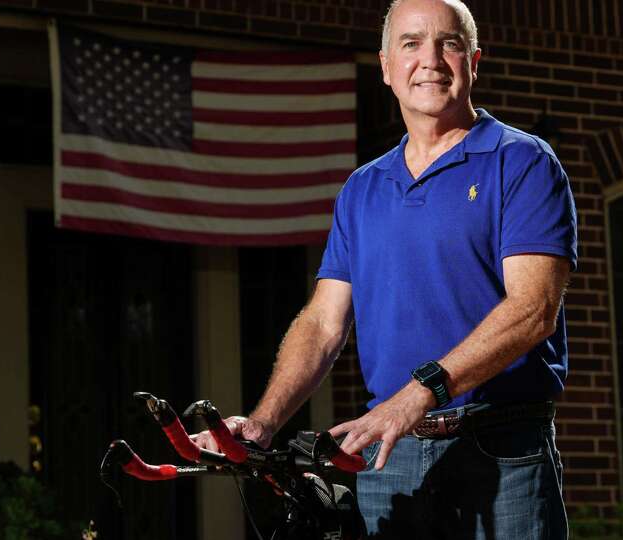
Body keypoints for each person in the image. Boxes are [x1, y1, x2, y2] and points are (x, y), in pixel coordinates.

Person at [193, 0, 576, 537]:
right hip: (388, 457)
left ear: (474, 60)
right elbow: (324, 324)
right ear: (386, 66)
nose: (432, 61)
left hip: (502, 448)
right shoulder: (362, 189)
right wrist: (261, 425)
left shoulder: (524, 162)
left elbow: (533, 311)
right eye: (412, 43)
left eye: (449, 43)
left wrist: (415, 395)